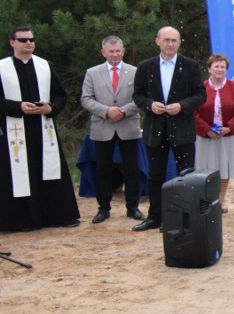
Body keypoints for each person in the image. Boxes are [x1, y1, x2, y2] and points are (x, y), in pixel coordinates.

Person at [0, 26, 80, 231]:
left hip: (43, 128)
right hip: (14, 129)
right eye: (23, 40)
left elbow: (60, 95)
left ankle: (56, 215)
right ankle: (20, 220)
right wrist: (18, 107)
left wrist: (50, 107)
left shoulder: (45, 66)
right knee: (17, 173)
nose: (29, 43)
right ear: (12, 42)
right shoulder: (2, 67)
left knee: (49, 169)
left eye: (31, 39)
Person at [131, 26, 206, 231]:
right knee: (155, 175)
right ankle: (155, 217)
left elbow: (201, 95)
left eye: (174, 40)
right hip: (155, 129)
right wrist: (149, 105)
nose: (170, 44)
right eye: (166, 40)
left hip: (182, 128)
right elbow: (137, 95)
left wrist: (182, 106)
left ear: (179, 42)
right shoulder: (146, 67)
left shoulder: (190, 66)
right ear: (157, 41)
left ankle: (184, 218)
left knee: (185, 175)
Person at [80, 35, 145, 224]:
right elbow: (86, 98)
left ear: (123, 51)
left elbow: (142, 97)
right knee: (103, 169)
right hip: (103, 126)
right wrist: (106, 111)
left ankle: (133, 207)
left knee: (132, 169)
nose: (115, 55)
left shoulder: (135, 72)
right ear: (103, 53)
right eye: (111, 51)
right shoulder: (92, 73)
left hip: (128, 126)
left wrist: (123, 111)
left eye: (118, 51)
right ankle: (103, 208)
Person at [194, 54, 234, 213]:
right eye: (216, 66)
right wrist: (206, 129)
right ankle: (206, 200)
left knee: (225, 167)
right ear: (209, 69)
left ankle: (221, 199)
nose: (219, 69)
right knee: (204, 167)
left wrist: (229, 127)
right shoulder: (200, 87)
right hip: (204, 135)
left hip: (228, 135)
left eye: (222, 67)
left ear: (226, 70)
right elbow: (193, 112)